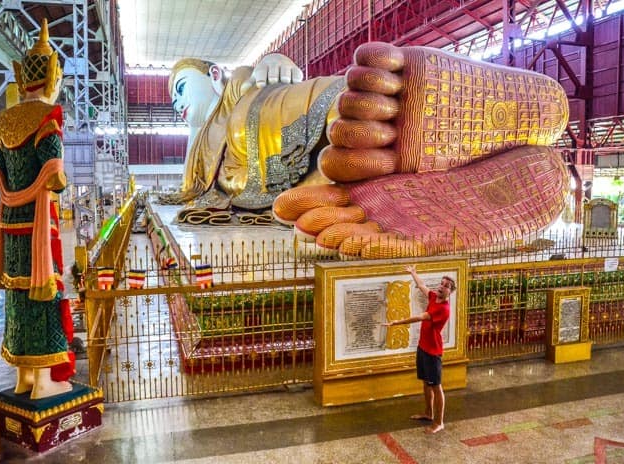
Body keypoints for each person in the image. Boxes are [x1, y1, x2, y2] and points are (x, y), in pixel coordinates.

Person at [168, 42, 569, 257]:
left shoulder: (233, 87)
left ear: (214, 75)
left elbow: (253, 79)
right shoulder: (199, 154)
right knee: (338, 183)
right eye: (173, 102)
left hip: (274, 121)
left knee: (356, 108)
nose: (178, 104)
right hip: (301, 177)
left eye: (182, 88)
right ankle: (404, 171)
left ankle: (386, 113)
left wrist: (272, 59)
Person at [0, 19, 75, 400]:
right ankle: (45, 381)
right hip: (39, 224)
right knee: (44, 297)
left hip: (11, 226)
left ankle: (23, 377)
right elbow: (54, 175)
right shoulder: (47, 118)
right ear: (52, 77)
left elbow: (0, 175)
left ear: (23, 79)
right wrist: (56, 184)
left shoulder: (4, 121)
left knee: (17, 298)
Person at [383, 264, 456, 434]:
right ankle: (428, 413)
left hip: (433, 351)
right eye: (441, 283)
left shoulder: (443, 309)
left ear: (450, 292)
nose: (442, 286)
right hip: (423, 347)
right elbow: (422, 287)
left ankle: (439, 422)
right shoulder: (433, 298)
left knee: (436, 386)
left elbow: (419, 317)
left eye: (446, 286)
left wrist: (396, 322)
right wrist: (413, 273)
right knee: (425, 382)